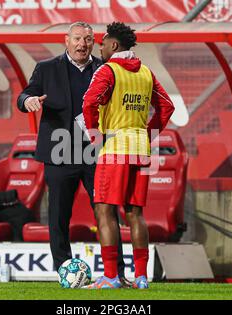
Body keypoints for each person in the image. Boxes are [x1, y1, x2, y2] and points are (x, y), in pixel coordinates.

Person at [16, 21, 131, 287]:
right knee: (58, 215)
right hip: (59, 152)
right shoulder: (46, 68)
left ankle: (117, 272)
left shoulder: (106, 68)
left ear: (95, 42)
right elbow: (24, 95)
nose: (82, 44)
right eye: (77, 39)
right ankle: (63, 270)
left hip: (96, 152)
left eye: (88, 40)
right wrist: (28, 101)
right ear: (66, 41)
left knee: (107, 213)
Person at [82, 22, 175, 289]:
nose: (99, 47)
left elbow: (89, 102)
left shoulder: (108, 70)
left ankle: (111, 276)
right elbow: (166, 107)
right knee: (135, 213)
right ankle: (142, 277)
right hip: (140, 149)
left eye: (103, 42)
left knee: (104, 210)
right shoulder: (146, 72)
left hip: (115, 148)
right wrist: (147, 135)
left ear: (114, 45)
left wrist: (94, 135)